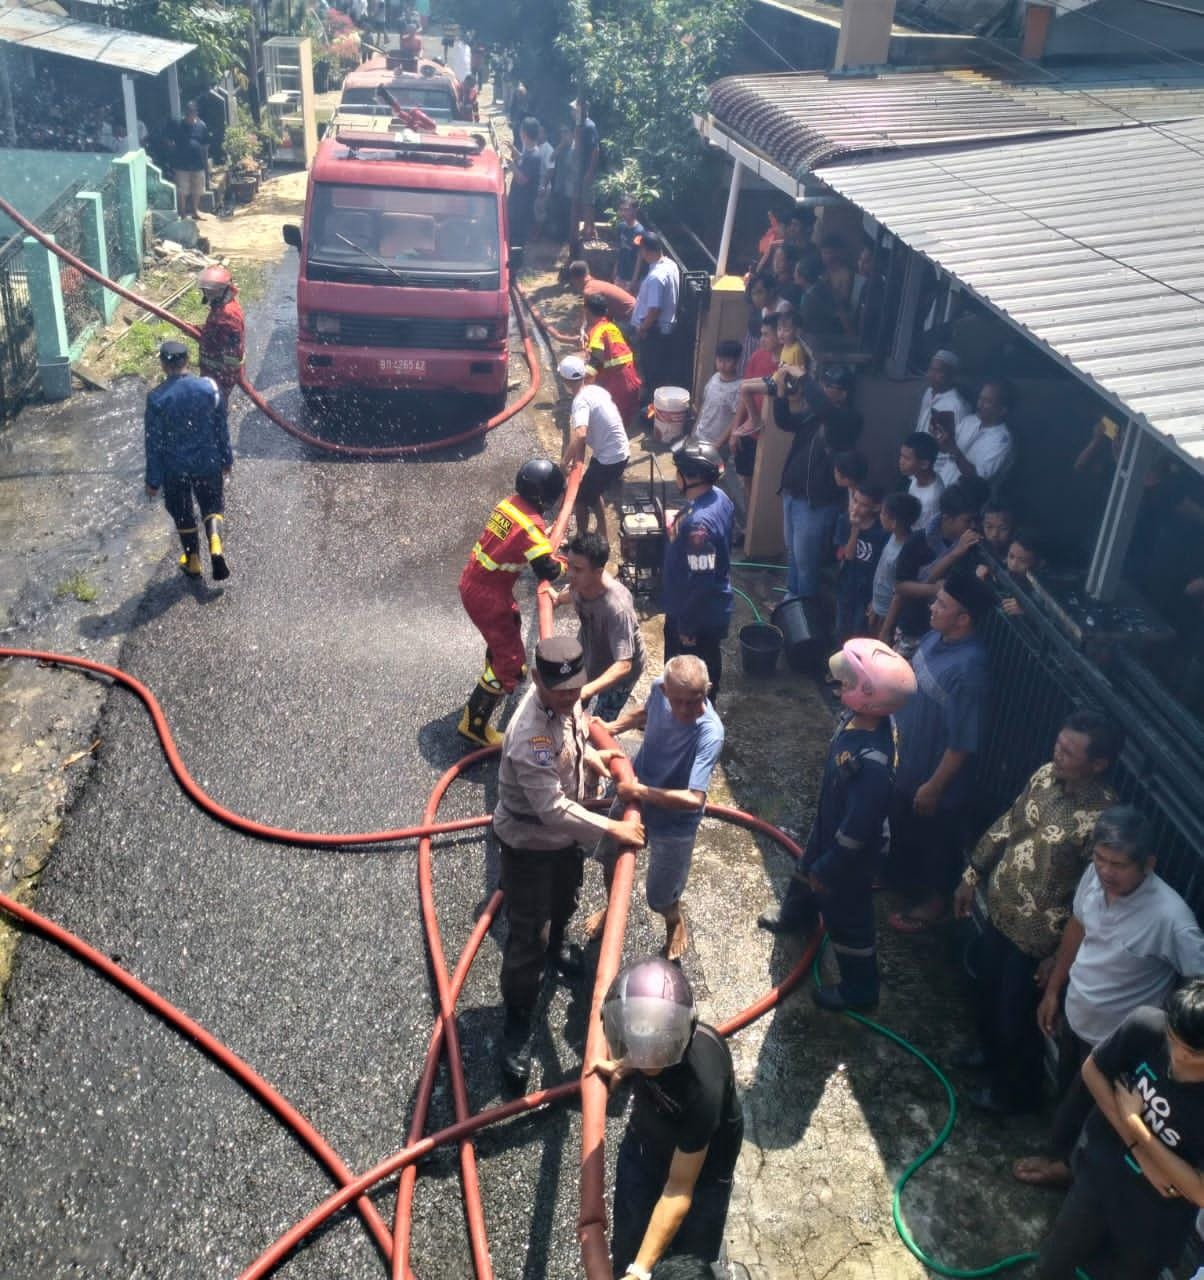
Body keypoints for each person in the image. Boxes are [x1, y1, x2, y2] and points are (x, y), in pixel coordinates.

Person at [1014, 806, 1204, 1191]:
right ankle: (1063, 1158)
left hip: (1116, 1042)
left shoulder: (1172, 919)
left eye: (1118, 864)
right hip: (1076, 1014)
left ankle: (1065, 1167)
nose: (1106, 872)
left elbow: (1196, 986)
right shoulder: (1094, 879)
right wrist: (1054, 990)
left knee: (1095, 1108)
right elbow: (1078, 928)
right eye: (1100, 859)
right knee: (1070, 1089)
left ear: (1148, 863)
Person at [492, 636, 645, 1088]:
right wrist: (613, 830)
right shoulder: (529, 734)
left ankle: (557, 948)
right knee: (526, 939)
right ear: (537, 680)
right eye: (560, 691)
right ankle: (517, 1024)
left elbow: (575, 734)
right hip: (530, 845)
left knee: (565, 902)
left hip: (564, 841)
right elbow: (552, 809)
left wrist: (594, 757)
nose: (569, 697)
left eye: (575, 689)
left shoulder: (569, 700)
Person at [952, 712, 1122, 1116]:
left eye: (1069, 752)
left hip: (1040, 939)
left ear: (1098, 764)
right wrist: (973, 872)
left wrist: (1057, 959)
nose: (1057, 754)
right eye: (1058, 745)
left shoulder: (1102, 820)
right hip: (1002, 909)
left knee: (1018, 1015)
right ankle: (988, 1056)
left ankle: (1016, 1093)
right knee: (984, 988)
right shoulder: (1044, 776)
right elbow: (1011, 823)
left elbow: (1092, 899)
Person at [759, 639, 916, 1009]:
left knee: (847, 916)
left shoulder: (872, 762)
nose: (840, 682)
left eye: (849, 680)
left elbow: (859, 828)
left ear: (869, 695)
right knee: (805, 870)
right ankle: (797, 916)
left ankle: (860, 989)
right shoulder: (862, 718)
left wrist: (830, 867)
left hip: (850, 852)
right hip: (830, 829)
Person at [1031, 980, 1204, 1280]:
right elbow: (1093, 1070)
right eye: (1173, 1039)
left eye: (1193, 1052)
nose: (1178, 1054)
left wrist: (1135, 1123)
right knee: (1054, 1263)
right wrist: (1140, 1146)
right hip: (1101, 1178)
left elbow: (1200, 1191)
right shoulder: (1147, 1027)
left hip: (1154, 1221)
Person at [590, 957, 742, 1275]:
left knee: (691, 1256)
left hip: (703, 1163)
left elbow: (678, 1188)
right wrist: (623, 1063)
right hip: (652, 1135)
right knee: (630, 1235)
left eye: (653, 1048)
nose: (646, 1058)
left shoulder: (703, 1086)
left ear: (677, 1039)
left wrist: (641, 1270)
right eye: (635, 1043)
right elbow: (643, 1039)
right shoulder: (657, 1037)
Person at [590, 655, 723, 961]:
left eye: (696, 700)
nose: (687, 710)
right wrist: (611, 726)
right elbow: (645, 713)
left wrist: (637, 789)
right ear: (665, 691)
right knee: (609, 860)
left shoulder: (710, 733)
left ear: (708, 688)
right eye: (678, 702)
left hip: (675, 822)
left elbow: (694, 799)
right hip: (636, 798)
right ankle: (613, 907)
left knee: (660, 897)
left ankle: (674, 921)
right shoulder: (658, 691)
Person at [886, 568, 992, 930]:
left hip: (935, 781)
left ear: (963, 619)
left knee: (935, 845)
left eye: (941, 603)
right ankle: (897, 881)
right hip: (906, 765)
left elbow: (962, 742)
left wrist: (934, 786)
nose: (932, 607)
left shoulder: (970, 669)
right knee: (903, 830)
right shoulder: (935, 638)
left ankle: (933, 905)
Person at [456, 459, 566, 747]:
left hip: (474, 583)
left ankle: (494, 668)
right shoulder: (532, 526)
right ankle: (475, 725)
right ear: (546, 497)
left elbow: (521, 540)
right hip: (489, 598)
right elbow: (548, 570)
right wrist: (565, 563)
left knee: (504, 638)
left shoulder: (509, 504)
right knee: (512, 667)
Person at [771, 363, 863, 601]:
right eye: (822, 384)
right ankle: (791, 601)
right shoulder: (813, 413)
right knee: (793, 553)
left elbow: (827, 412)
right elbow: (784, 422)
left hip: (816, 503)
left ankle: (805, 612)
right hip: (793, 494)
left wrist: (804, 379)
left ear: (843, 393)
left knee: (806, 561)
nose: (822, 389)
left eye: (828, 386)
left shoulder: (849, 419)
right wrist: (780, 391)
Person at [144, 340, 233, 582]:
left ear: (163, 365)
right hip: (208, 461)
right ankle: (215, 543)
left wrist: (153, 479)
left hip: (176, 469)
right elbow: (221, 427)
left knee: (182, 512)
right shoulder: (209, 388)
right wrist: (226, 458)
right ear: (188, 361)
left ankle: (193, 561)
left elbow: (153, 443)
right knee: (212, 506)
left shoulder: (156, 398)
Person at [662, 441, 734, 700]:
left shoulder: (698, 526)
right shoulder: (719, 497)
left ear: (689, 477)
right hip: (709, 609)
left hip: (696, 616)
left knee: (689, 683)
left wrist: (687, 628)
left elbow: (701, 581)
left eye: (678, 471)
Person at [553, 529, 646, 721]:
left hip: (619, 675)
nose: (569, 574)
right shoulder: (579, 583)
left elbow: (623, 665)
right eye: (569, 565)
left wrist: (586, 691)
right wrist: (557, 599)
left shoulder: (616, 608)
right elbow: (572, 593)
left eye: (578, 569)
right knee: (568, 713)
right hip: (591, 654)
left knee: (600, 724)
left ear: (598, 572)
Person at [557, 355, 630, 535]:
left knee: (581, 499)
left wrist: (564, 462)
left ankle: (581, 538)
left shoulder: (580, 401)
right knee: (593, 489)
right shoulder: (596, 390)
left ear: (565, 381)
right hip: (618, 450)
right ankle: (602, 531)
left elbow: (580, 433)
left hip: (610, 458)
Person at [933, 379, 1015, 494]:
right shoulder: (969, 421)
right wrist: (940, 437)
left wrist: (953, 448)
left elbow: (977, 478)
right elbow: (946, 450)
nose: (979, 404)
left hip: (966, 504)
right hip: (943, 490)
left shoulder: (1002, 441)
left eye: (987, 401)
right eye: (980, 398)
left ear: (1002, 410)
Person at [833, 483, 886, 644]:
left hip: (867, 590)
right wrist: (855, 529)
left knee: (859, 632)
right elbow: (848, 556)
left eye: (863, 505)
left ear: (876, 507)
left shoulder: (882, 531)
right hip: (847, 584)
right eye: (855, 501)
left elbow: (881, 568)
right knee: (842, 627)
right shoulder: (844, 521)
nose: (856, 507)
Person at [632, 232, 680, 401]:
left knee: (651, 375)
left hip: (653, 331)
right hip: (664, 329)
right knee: (659, 373)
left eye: (641, 249)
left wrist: (642, 329)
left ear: (645, 250)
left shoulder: (655, 277)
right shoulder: (670, 265)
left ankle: (649, 411)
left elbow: (654, 309)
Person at [583, 294, 642, 430]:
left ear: (587, 312)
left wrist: (582, 381)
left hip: (617, 385)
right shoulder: (611, 327)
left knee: (611, 426)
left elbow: (596, 362)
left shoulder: (597, 331)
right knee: (623, 424)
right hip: (631, 380)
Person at [869, 491, 922, 638]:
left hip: (888, 615)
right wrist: (874, 602)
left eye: (883, 514)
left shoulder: (905, 552)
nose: (880, 516)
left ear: (894, 522)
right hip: (878, 606)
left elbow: (899, 595)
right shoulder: (894, 536)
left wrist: (886, 629)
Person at [196, 265, 245, 404]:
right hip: (216, 372)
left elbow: (212, 337)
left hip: (221, 374)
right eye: (206, 291)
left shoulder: (226, 314)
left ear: (223, 290)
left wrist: (197, 332)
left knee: (213, 409)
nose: (207, 295)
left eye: (211, 291)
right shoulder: (223, 305)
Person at [553, 261, 636, 339]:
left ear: (575, 279)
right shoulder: (596, 283)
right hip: (636, 313)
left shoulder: (589, 291)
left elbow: (592, 320)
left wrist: (583, 332)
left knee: (601, 338)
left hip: (630, 320)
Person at [916, 349, 971, 464]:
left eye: (938, 371)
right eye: (931, 369)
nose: (931, 374)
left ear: (951, 375)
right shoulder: (929, 392)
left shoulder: (957, 406)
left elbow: (958, 447)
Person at [689, 340, 743, 451]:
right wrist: (695, 429)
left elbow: (735, 419)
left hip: (717, 444)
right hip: (700, 436)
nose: (722, 364)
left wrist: (718, 444)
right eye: (719, 360)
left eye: (727, 361)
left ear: (736, 362)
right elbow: (705, 406)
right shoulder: (714, 378)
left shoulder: (739, 387)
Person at [506, 117, 542, 252]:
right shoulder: (530, 150)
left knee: (516, 239)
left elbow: (522, 179)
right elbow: (523, 160)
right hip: (518, 204)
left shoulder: (534, 155)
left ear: (524, 133)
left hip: (521, 207)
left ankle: (515, 265)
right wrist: (514, 151)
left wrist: (511, 164)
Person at [171, 101, 210, 220]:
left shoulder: (201, 126)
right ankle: (182, 213)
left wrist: (206, 165)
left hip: (197, 164)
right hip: (182, 165)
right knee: (182, 190)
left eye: (192, 113)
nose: (190, 115)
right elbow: (169, 141)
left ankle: (195, 211)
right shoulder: (178, 125)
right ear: (185, 113)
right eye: (188, 113)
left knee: (197, 189)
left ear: (196, 113)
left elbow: (205, 146)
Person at [898, 431, 944, 528]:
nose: (901, 462)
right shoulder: (918, 475)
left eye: (906, 458)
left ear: (924, 464)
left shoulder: (931, 500)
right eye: (901, 456)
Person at [616, 195, 645, 292]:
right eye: (621, 209)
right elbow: (619, 251)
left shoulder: (639, 231)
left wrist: (634, 280)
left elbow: (639, 257)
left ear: (635, 210)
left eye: (626, 210)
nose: (623, 213)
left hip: (631, 277)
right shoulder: (621, 227)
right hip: (620, 274)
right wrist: (615, 271)